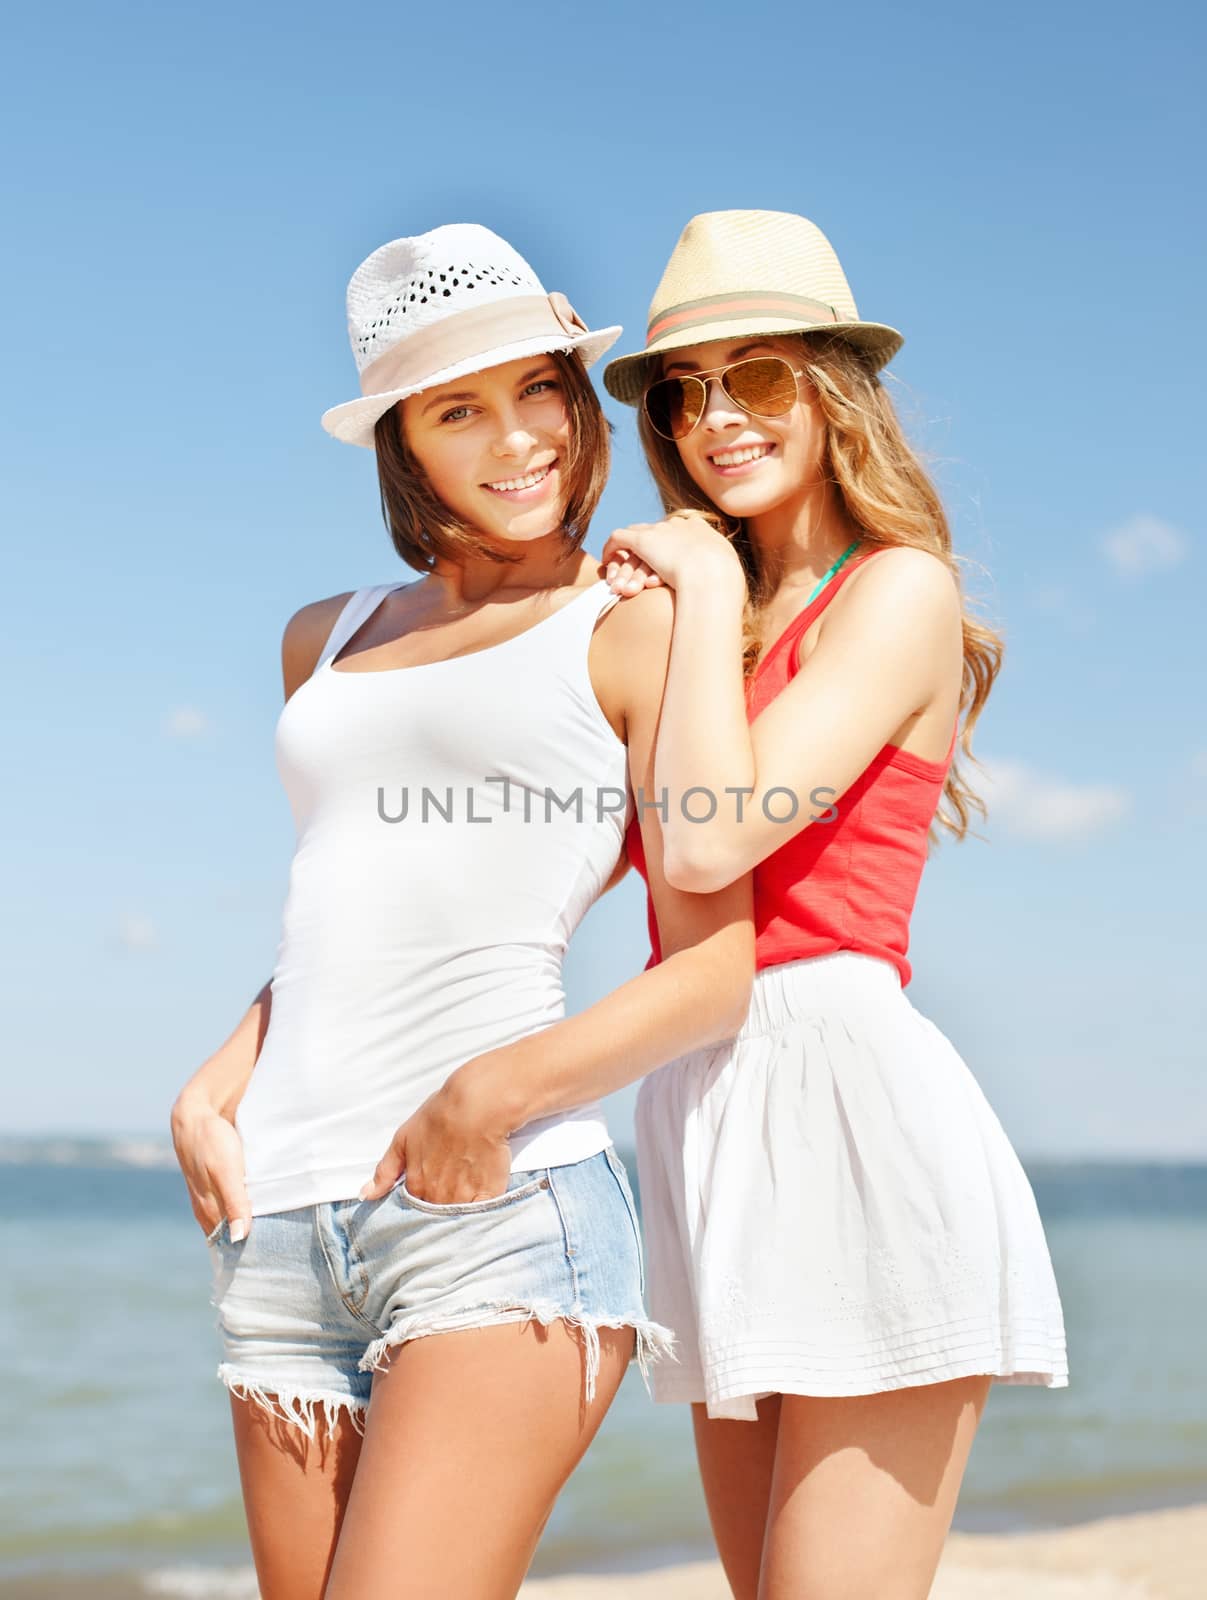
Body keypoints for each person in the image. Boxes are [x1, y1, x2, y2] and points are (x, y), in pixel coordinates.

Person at [169, 222, 754, 1600]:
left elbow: (716, 966)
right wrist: (217, 1082)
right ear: (403, 445)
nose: (517, 439)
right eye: (457, 409)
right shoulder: (325, 633)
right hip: (282, 1224)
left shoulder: (630, 624)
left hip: (496, 1215)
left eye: (539, 389)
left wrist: (487, 1097)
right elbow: (355, 912)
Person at [596, 209, 1069, 1600]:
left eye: (756, 376)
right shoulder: (707, 619)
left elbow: (711, 837)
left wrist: (683, 581)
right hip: (702, 1106)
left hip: (844, 1097)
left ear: (832, 389)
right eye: (688, 391)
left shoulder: (899, 590)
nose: (714, 418)